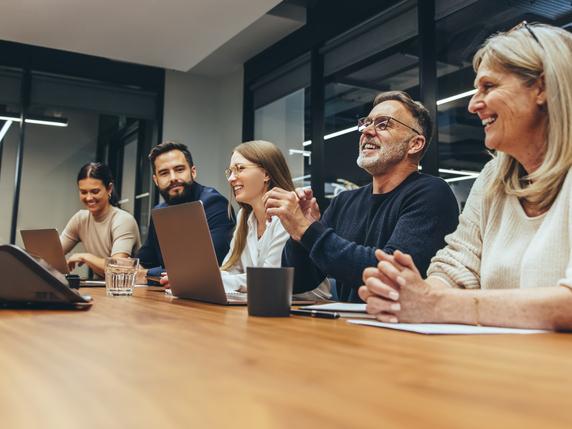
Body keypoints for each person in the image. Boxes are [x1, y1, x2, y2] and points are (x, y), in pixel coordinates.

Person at [360, 22, 572, 330]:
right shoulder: (492, 178)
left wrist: (433, 303)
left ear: (541, 88)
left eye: (488, 87)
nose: (473, 105)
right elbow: (455, 266)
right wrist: (409, 294)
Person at [264, 91, 459, 302]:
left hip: (399, 329)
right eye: (366, 123)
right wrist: (298, 236)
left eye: (383, 124)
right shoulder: (344, 201)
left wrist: (307, 230)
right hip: (349, 328)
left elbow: (389, 274)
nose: (367, 130)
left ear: (415, 144)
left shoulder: (431, 193)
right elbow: (299, 282)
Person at [219, 140, 330, 300]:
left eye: (240, 169)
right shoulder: (244, 216)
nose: (231, 178)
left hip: (307, 309)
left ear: (266, 174)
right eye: (230, 171)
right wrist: (200, 280)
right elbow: (232, 268)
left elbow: (269, 279)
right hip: (267, 302)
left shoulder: (289, 213)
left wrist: (215, 281)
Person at [137, 141, 235, 282]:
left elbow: (206, 267)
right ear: (156, 180)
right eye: (164, 173)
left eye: (179, 169)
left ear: (193, 172)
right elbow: (144, 261)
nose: (173, 178)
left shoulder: (215, 204)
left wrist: (147, 274)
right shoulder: (159, 212)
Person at [61, 162, 141, 277]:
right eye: (83, 192)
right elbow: (52, 254)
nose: (88, 198)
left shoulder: (123, 220)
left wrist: (85, 256)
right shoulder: (80, 219)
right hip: (102, 287)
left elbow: (117, 268)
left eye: (95, 191)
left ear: (109, 189)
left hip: (129, 289)